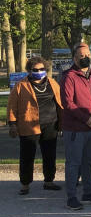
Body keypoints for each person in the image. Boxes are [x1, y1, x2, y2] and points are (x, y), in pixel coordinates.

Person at [61, 43, 91, 211]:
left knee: (89, 162)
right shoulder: (69, 76)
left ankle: (88, 192)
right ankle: (71, 197)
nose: (85, 57)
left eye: (87, 54)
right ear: (75, 58)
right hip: (75, 129)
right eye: (81, 55)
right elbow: (68, 103)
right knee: (74, 163)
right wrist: (86, 119)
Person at [8, 57, 62, 195]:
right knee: (27, 156)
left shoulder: (52, 83)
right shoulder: (21, 85)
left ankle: (49, 181)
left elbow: (61, 103)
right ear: (29, 71)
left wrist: (62, 121)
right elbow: (12, 106)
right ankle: (25, 184)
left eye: (42, 69)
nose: (39, 72)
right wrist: (13, 124)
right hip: (29, 125)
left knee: (50, 155)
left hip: (50, 124)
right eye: (35, 70)